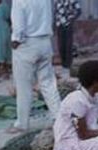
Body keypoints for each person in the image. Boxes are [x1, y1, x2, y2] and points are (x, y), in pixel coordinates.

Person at [9, 0, 61, 133]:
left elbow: (19, 27)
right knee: (48, 83)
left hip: (27, 44)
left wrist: (15, 41)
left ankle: (22, 124)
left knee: (24, 86)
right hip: (45, 42)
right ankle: (59, 118)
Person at [55, 0, 81, 78]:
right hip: (59, 25)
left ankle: (68, 67)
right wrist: (54, 24)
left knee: (68, 46)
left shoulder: (71, 1)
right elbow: (56, 13)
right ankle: (63, 65)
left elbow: (79, 11)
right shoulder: (57, 2)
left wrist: (71, 19)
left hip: (68, 25)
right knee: (61, 46)